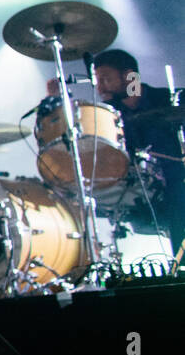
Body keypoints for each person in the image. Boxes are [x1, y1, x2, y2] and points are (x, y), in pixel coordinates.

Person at [45, 48, 185, 255]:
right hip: (140, 191)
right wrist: (56, 101)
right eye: (97, 80)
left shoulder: (171, 100)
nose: (99, 87)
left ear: (130, 78)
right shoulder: (107, 115)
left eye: (105, 79)